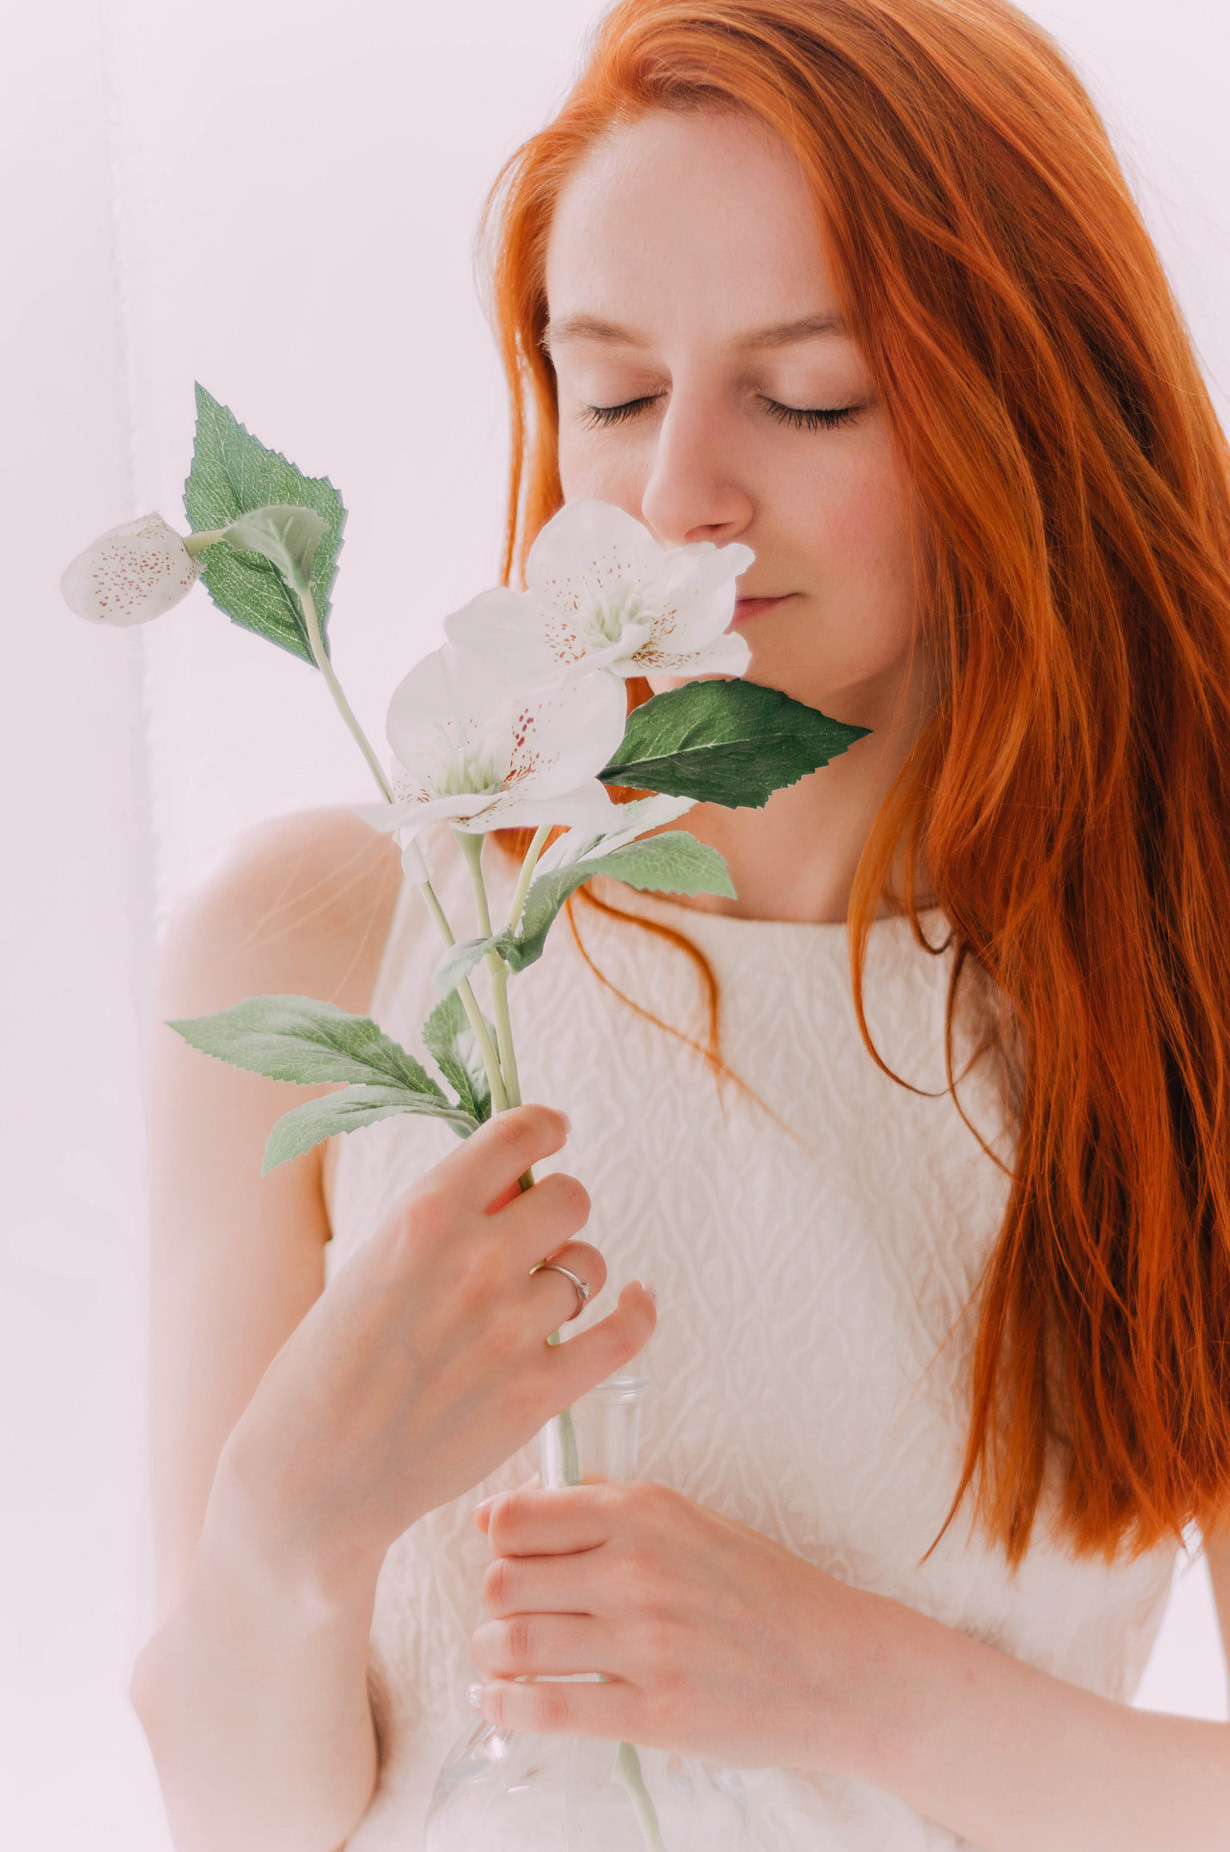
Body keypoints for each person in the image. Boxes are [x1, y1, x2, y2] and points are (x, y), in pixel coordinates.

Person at [129, 1, 1230, 1847]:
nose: (676, 500)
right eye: (617, 395)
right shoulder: (326, 948)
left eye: (811, 398)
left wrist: (863, 1687)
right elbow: (238, 1820)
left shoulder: (1172, 987)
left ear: (1037, 411)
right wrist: (286, 1531)